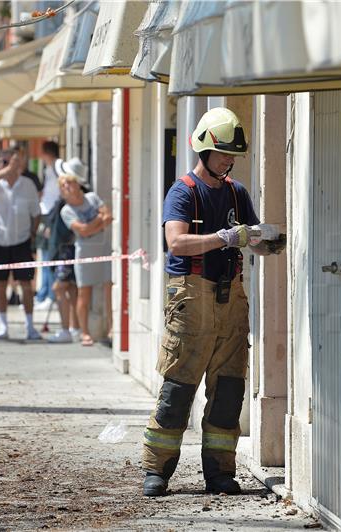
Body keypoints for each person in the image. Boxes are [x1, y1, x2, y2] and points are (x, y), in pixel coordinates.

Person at [141, 107, 286, 497]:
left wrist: (267, 240)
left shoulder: (237, 192)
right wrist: (223, 238)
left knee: (228, 390)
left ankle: (220, 473)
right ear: (204, 149)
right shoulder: (184, 191)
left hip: (231, 297)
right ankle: (157, 471)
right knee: (179, 387)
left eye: (233, 155)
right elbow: (176, 242)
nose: (229, 161)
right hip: (192, 295)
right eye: (223, 154)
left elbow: (249, 238)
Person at [0, 148, 42, 341]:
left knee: (26, 285)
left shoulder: (28, 185)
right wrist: (8, 168)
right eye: (2, 162)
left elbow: (36, 212)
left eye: (11, 163)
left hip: (22, 241)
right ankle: (2, 326)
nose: (7, 166)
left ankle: (29, 326)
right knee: (0, 285)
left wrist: (33, 234)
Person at [58, 171, 112, 347]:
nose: (68, 187)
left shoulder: (92, 198)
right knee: (83, 292)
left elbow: (108, 216)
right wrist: (98, 221)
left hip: (103, 247)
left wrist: (92, 227)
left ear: (77, 184)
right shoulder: (66, 211)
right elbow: (82, 230)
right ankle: (84, 332)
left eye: (70, 183)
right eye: (63, 185)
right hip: (84, 251)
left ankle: (112, 327)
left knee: (108, 287)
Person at [45, 191, 79, 344]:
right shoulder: (62, 201)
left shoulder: (71, 203)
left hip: (66, 250)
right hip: (65, 250)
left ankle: (67, 329)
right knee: (71, 289)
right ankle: (74, 327)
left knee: (59, 287)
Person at [34, 141, 62, 308]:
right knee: (43, 255)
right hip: (45, 214)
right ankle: (44, 293)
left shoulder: (58, 168)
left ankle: (51, 295)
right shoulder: (49, 170)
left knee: (49, 256)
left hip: (52, 216)